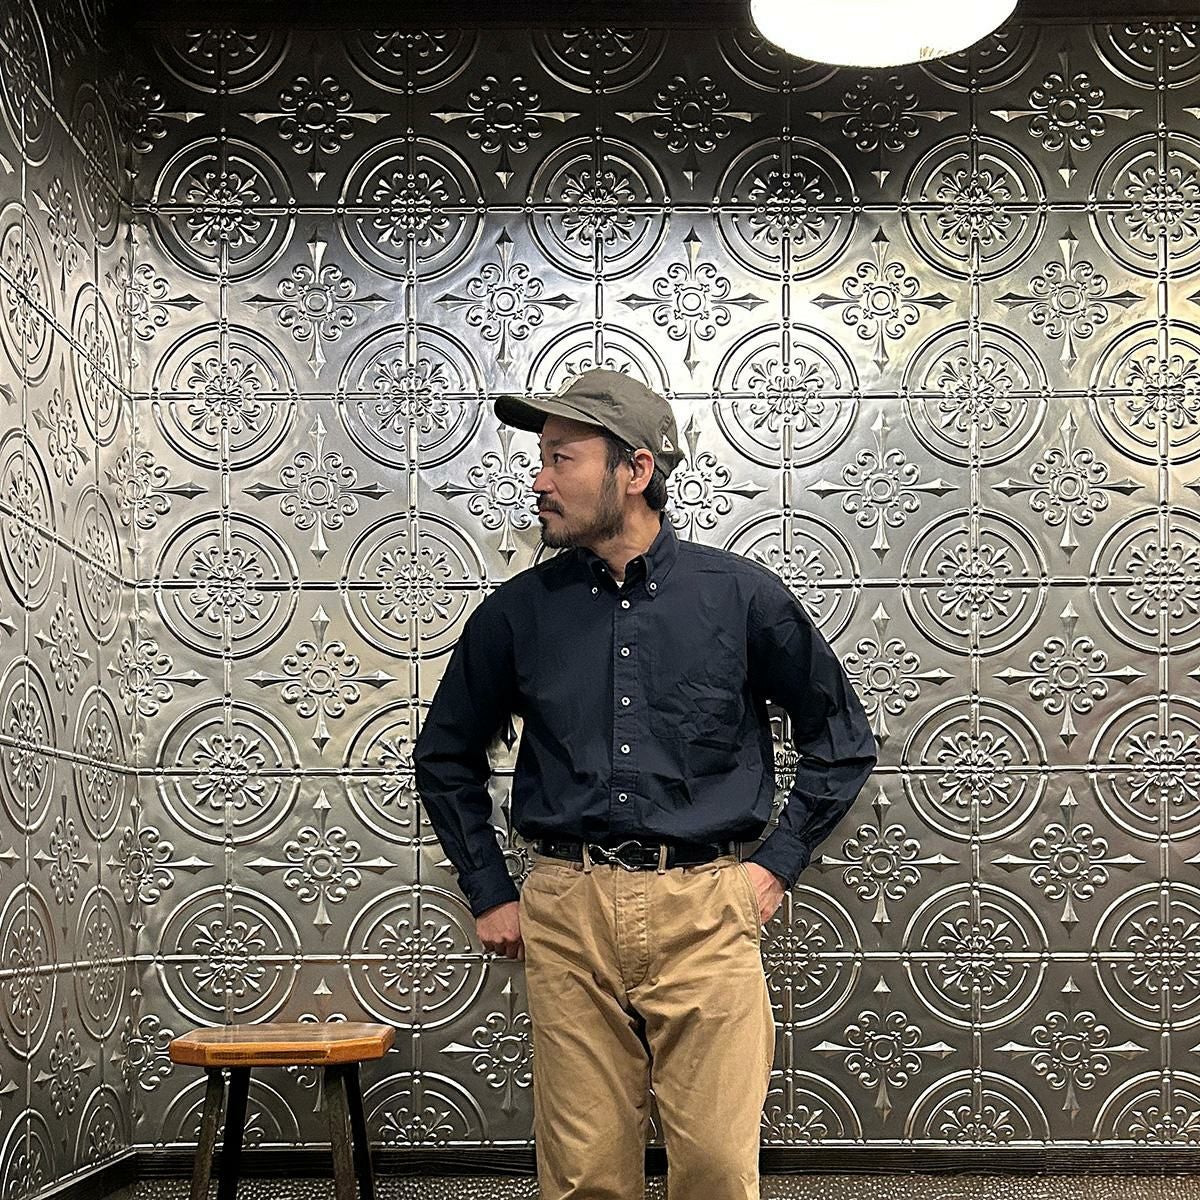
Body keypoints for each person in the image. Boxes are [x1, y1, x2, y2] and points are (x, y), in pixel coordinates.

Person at [413, 368, 877, 1200]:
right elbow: (444, 756)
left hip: (705, 908)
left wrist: (774, 868)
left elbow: (842, 741)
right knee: (584, 1175)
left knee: (718, 1170)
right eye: (541, 458)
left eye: (561, 458)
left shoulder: (741, 598)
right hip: (569, 910)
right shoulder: (517, 613)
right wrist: (489, 889)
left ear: (634, 470)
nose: (540, 480)